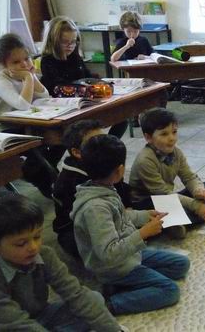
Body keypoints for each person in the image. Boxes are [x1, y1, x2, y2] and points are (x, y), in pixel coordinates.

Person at [71, 134, 190, 315]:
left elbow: (122, 216)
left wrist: (144, 216)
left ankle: (124, 286)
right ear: (120, 170)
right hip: (113, 268)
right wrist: (143, 233)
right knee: (170, 291)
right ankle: (108, 304)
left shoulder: (104, 189)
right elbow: (107, 255)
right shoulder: (95, 208)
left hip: (130, 256)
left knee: (181, 264)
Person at [0, 191, 125, 331]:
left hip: (41, 315)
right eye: (20, 244)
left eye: (37, 237)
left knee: (94, 299)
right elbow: (14, 324)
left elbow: (74, 293)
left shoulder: (44, 254)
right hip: (2, 327)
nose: (33, 247)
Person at [129, 108, 205, 239]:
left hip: (167, 197)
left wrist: (198, 190)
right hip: (147, 202)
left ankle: (180, 220)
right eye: (164, 134)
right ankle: (198, 214)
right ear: (148, 137)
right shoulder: (145, 160)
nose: (172, 138)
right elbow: (163, 194)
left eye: (174, 132)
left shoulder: (176, 152)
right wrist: (196, 206)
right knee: (164, 208)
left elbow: (189, 177)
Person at [0, 33, 56, 197]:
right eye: (16, 62)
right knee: (40, 166)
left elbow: (45, 96)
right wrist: (29, 78)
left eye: (26, 58)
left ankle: (49, 172)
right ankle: (52, 188)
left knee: (60, 137)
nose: (24, 64)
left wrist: (31, 77)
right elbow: (23, 106)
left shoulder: (22, 73)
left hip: (20, 126)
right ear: (2, 64)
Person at [53, 119, 133, 260]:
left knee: (141, 201)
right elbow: (93, 220)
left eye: (103, 138)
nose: (103, 144)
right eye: (95, 141)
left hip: (107, 214)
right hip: (77, 230)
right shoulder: (71, 181)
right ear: (77, 152)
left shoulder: (101, 163)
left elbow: (120, 190)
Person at [40, 16, 127, 138]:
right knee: (83, 134)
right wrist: (92, 90)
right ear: (52, 41)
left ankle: (106, 145)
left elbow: (88, 77)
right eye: (65, 42)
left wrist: (102, 84)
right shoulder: (47, 61)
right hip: (64, 108)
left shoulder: (75, 57)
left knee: (122, 116)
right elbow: (58, 87)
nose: (70, 46)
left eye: (74, 41)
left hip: (85, 102)